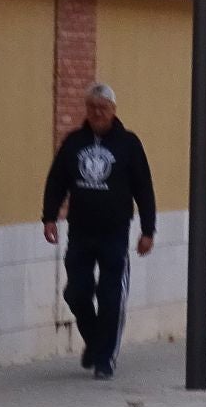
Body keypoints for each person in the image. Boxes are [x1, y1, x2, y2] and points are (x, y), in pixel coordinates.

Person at [42, 83, 156, 380]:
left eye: (103, 108)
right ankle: (94, 341)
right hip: (80, 231)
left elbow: (144, 188)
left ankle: (105, 359)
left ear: (113, 110)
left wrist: (148, 230)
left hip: (114, 233)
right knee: (76, 292)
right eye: (92, 107)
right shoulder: (74, 142)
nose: (97, 113)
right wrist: (49, 217)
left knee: (110, 297)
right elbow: (57, 181)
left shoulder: (128, 144)